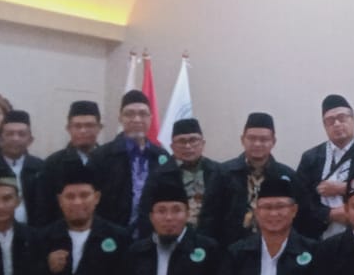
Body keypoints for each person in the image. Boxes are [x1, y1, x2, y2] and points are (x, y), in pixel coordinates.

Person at [202, 111, 318, 250]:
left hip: (276, 249)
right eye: (252, 138)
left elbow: (303, 217)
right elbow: (208, 217)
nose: (257, 144)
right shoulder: (223, 173)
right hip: (231, 250)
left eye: (264, 139)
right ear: (242, 140)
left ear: (273, 142)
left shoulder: (287, 176)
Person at [295, 95, 354, 240]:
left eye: (342, 118)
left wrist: (344, 188)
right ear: (325, 126)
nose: (337, 124)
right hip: (318, 237)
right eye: (330, 121)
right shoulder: (311, 158)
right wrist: (329, 214)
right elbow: (299, 198)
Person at [91, 90, 171, 238]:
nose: (137, 119)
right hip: (111, 237)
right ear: (120, 118)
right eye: (129, 114)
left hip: (151, 238)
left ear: (151, 118)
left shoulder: (162, 157)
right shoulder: (101, 156)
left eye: (143, 114)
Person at [40, 100, 103, 221]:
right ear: (68, 128)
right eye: (77, 126)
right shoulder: (52, 164)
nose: (83, 130)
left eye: (89, 125)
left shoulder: (110, 160)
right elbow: (44, 208)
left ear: (99, 128)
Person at [0, 109, 49, 225]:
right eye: (10, 134)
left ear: (30, 140)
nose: (15, 138)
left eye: (21, 134)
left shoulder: (42, 168)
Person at [166, 117, 220, 230]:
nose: (188, 146)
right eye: (182, 141)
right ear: (172, 147)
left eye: (193, 140)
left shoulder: (219, 172)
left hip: (213, 234)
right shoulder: (161, 175)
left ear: (203, 143)